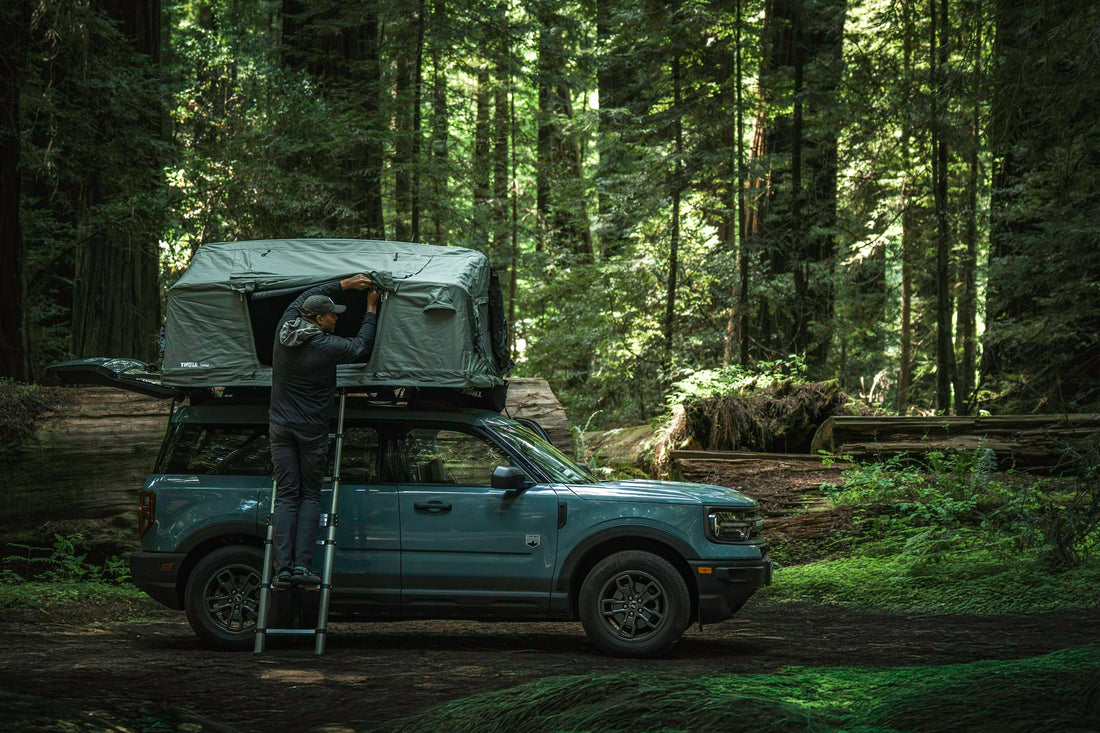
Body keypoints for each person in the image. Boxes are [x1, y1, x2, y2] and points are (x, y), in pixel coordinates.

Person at [268, 273, 381, 589]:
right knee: (310, 496)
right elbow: (360, 346)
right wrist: (371, 308)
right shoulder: (326, 345)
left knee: (287, 496)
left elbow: (306, 294)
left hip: (280, 428)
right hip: (310, 431)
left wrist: (344, 285)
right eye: (332, 314)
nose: (336, 318)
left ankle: (282, 570)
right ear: (318, 319)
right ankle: (302, 567)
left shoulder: (285, 328)